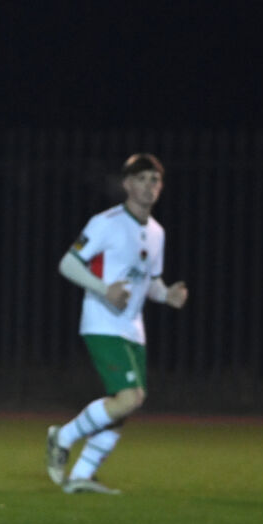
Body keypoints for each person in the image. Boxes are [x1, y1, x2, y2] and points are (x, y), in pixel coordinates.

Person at [46, 153, 189, 493]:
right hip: (101, 322)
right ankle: (62, 437)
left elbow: (149, 281)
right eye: (140, 179)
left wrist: (166, 294)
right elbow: (68, 263)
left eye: (154, 180)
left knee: (125, 405)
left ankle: (82, 475)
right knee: (129, 397)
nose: (148, 186)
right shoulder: (106, 222)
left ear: (161, 187)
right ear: (126, 184)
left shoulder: (157, 233)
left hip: (132, 328)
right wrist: (102, 290)